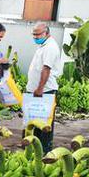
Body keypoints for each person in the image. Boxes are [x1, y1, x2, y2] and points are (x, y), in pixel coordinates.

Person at [27, 22, 63, 154]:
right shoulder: (43, 45)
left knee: (45, 126)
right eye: (34, 34)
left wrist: (40, 88)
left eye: (38, 34)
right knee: (35, 123)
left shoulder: (50, 47)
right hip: (37, 91)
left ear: (47, 33)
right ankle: (33, 149)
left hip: (45, 91)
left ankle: (44, 153)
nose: (35, 37)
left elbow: (46, 68)